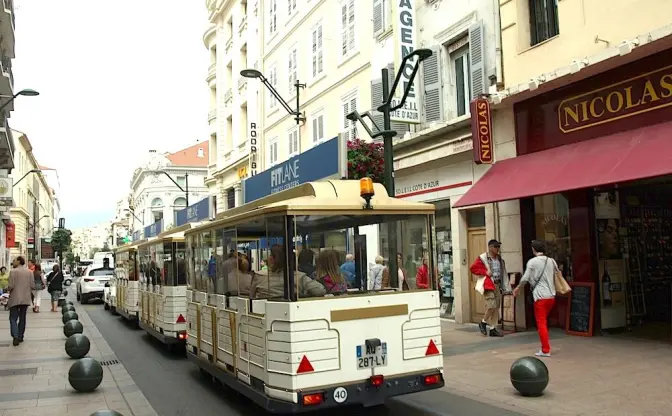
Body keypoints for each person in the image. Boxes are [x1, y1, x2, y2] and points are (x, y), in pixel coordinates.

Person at [513, 240, 557, 357]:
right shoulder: (551, 261)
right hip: (552, 295)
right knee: (544, 322)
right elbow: (558, 274)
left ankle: (545, 349)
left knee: (541, 323)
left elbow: (525, 278)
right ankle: (545, 346)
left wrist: (518, 288)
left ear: (533, 249)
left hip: (540, 296)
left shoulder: (532, 262)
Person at [470, 239, 512, 337]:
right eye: (495, 246)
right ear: (490, 247)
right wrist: (485, 272)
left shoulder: (500, 259)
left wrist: (506, 286)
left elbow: (504, 273)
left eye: (498, 247)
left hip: (497, 284)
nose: (498, 249)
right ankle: (483, 322)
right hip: (488, 285)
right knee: (491, 305)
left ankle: (493, 328)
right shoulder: (483, 258)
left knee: (496, 307)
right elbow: (473, 268)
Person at [250, 245, 325, 299]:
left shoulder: (259, 276)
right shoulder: (299, 277)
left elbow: (251, 298)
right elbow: (319, 291)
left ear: (272, 259)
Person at [7, 256, 36, 346]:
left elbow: (10, 286)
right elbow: (32, 285)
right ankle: (20, 336)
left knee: (13, 318)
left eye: (14, 260)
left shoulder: (13, 272)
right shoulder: (30, 272)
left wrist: (7, 289)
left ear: (19, 261)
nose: (13, 262)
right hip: (25, 298)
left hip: (15, 298)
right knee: (22, 318)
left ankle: (15, 335)